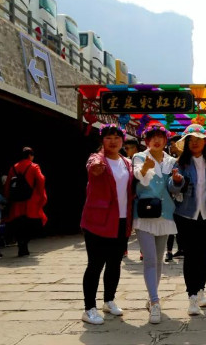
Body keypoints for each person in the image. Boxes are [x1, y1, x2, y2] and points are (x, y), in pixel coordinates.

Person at [80, 124, 134, 325]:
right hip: (98, 221)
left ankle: (109, 300)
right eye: (109, 137)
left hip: (121, 220)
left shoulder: (127, 162)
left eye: (117, 137)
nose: (113, 141)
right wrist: (95, 169)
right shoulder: (97, 159)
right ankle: (89, 308)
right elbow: (92, 165)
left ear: (122, 141)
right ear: (102, 140)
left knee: (114, 263)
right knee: (95, 264)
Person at [132, 124, 180, 324]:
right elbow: (138, 176)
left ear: (166, 140)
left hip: (165, 213)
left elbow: (174, 187)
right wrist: (145, 167)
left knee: (159, 260)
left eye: (160, 136)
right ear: (146, 141)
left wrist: (177, 180)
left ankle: (152, 297)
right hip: (144, 214)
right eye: (152, 137)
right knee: (150, 259)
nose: (157, 140)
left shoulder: (171, 161)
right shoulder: (140, 157)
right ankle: (155, 301)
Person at [172, 124, 206, 316]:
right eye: (190, 140)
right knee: (190, 255)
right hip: (186, 214)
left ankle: (200, 290)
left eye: (198, 139)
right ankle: (191, 295)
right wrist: (176, 181)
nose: (194, 143)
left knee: (203, 254)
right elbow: (172, 188)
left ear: (205, 142)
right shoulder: (180, 164)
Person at [4, 147, 47, 257]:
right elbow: (41, 179)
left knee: (19, 224)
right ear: (30, 155)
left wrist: (8, 197)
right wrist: (41, 194)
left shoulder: (13, 167)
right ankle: (25, 243)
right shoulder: (34, 166)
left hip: (17, 202)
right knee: (31, 224)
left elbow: (8, 184)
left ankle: (21, 245)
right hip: (30, 201)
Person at [165, 134, 183, 262]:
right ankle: (169, 251)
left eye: (172, 145)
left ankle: (180, 249)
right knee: (171, 225)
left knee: (179, 226)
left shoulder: (184, 161)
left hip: (183, 199)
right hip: (172, 197)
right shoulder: (171, 161)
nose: (170, 147)